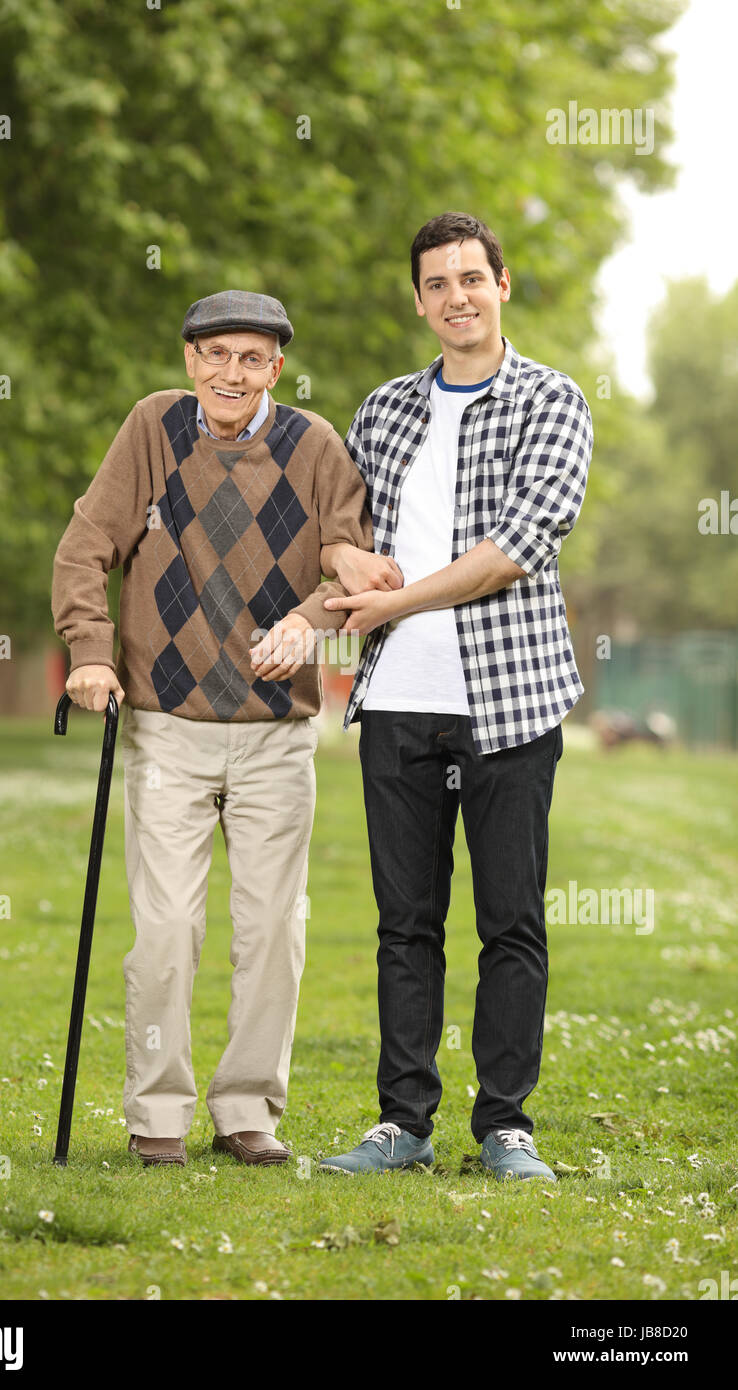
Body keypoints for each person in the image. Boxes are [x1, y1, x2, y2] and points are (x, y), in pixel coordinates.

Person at [51, 291, 396, 1167]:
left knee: (273, 928)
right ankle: (157, 1115)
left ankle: (248, 1111)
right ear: (189, 360)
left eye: (252, 359)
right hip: (167, 725)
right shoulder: (153, 429)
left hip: (277, 734)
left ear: (276, 367)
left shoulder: (316, 446)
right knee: (166, 929)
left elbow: (351, 562)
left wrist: (312, 620)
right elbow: (87, 545)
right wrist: (91, 652)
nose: (232, 373)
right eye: (216, 356)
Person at [316, 213, 593, 1181]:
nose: (455, 297)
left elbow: (513, 551)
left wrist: (393, 593)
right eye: (435, 283)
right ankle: (403, 1122)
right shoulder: (383, 409)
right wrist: (349, 558)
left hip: (507, 702)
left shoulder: (551, 403)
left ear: (501, 286)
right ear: (419, 300)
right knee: (405, 923)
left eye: (470, 277)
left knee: (509, 918)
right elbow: (334, 527)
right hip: (397, 702)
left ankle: (505, 1126)